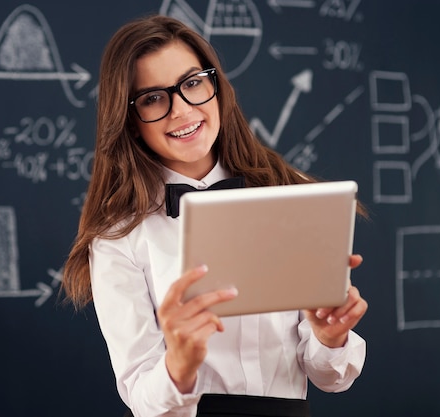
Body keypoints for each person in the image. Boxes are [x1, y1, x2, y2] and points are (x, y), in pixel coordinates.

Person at [62, 14, 368, 417]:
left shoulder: (294, 195)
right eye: (153, 98)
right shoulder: (118, 235)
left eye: (192, 84)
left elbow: (331, 378)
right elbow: (141, 395)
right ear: (131, 121)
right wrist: (179, 365)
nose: (181, 110)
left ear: (216, 88)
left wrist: (330, 337)